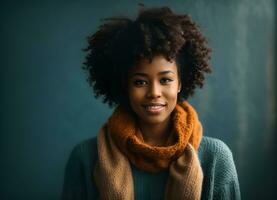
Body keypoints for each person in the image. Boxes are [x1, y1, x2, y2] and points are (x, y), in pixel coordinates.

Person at [61, 6, 241, 200]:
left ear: (180, 82)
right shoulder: (86, 158)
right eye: (140, 82)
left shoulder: (214, 157)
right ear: (125, 86)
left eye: (165, 80)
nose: (154, 93)